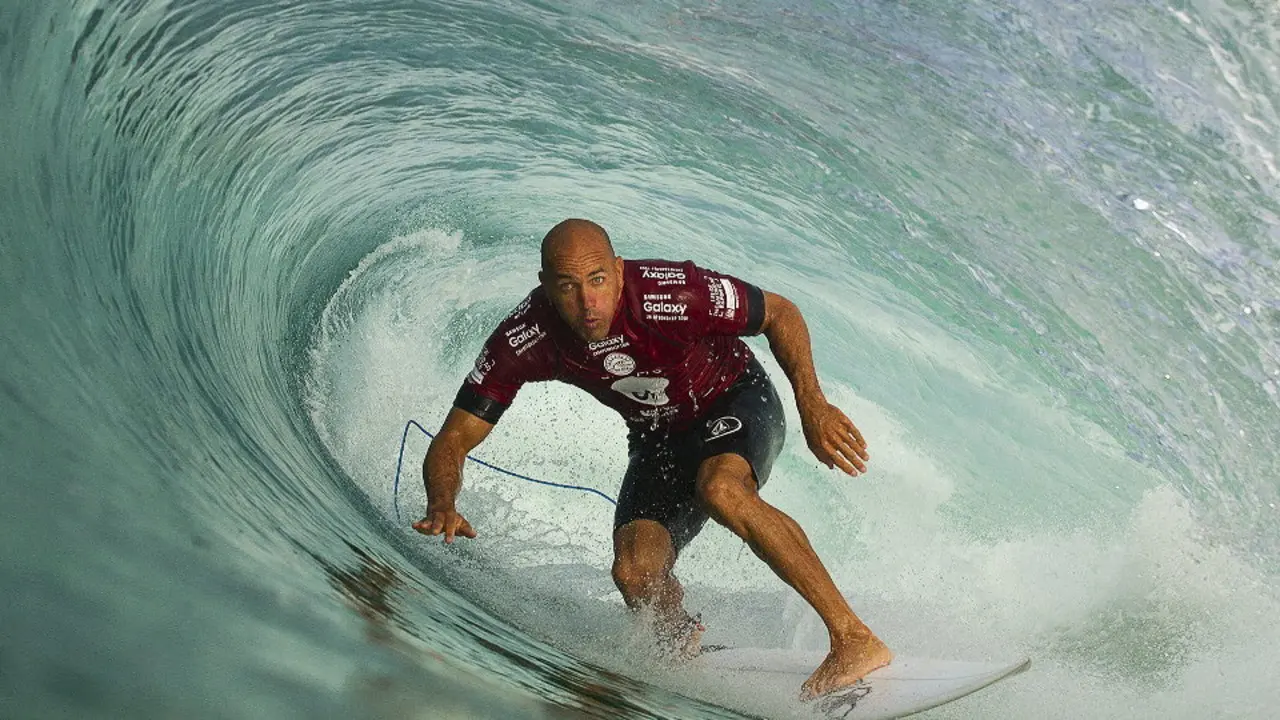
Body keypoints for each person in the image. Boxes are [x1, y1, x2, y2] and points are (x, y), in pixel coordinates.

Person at [413, 218, 893, 698]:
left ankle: (853, 638)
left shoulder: (673, 293)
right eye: (569, 287)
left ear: (619, 271)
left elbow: (780, 313)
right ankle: (682, 644)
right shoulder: (525, 337)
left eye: (598, 280)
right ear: (546, 287)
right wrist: (442, 503)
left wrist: (813, 405)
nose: (588, 303)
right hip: (657, 436)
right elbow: (453, 439)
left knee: (721, 489)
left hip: (736, 399)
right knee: (635, 573)